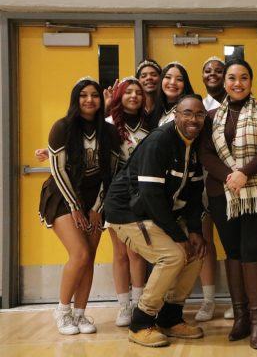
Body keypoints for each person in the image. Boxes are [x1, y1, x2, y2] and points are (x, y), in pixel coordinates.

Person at [104, 94, 208, 347]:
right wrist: (178, 236)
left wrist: (194, 232)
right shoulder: (160, 140)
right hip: (127, 212)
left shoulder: (195, 144)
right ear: (176, 115)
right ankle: (140, 322)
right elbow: (150, 195)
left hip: (156, 212)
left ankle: (171, 319)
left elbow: (194, 193)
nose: (193, 119)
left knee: (197, 252)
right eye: (187, 113)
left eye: (199, 114)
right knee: (172, 255)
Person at [200, 59, 257, 349]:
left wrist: (244, 173)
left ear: (251, 81)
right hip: (223, 194)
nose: (237, 83)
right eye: (232, 78)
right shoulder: (211, 116)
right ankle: (241, 318)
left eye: (243, 77)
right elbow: (205, 154)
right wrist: (230, 177)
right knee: (233, 251)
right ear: (224, 83)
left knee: (254, 251)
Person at [38, 77, 120, 335]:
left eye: (94, 95)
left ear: (101, 100)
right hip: (63, 195)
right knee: (80, 254)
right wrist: (74, 205)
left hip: (96, 197)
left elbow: (112, 173)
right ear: (76, 99)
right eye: (83, 95)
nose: (89, 100)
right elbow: (58, 170)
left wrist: (97, 206)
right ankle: (62, 311)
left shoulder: (109, 132)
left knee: (89, 257)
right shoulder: (62, 127)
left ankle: (80, 314)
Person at [105, 77, 150, 327]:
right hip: (115, 196)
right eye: (128, 92)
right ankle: (123, 306)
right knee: (121, 253)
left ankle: (139, 303)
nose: (134, 96)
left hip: (140, 197)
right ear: (119, 96)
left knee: (138, 251)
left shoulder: (149, 125)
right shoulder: (109, 125)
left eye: (138, 93)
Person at [194, 56, 229, 323]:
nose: (213, 74)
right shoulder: (198, 107)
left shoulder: (239, 105)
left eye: (219, 71)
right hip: (206, 183)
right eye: (208, 71)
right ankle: (208, 301)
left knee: (236, 244)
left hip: (235, 182)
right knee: (206, 241)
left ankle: (244, 299)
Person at [149, 61, 196, 128]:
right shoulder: (156, 111)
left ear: (185, 84)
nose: (173, 82)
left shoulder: (190, 110)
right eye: (168, 77)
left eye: (179, 79)